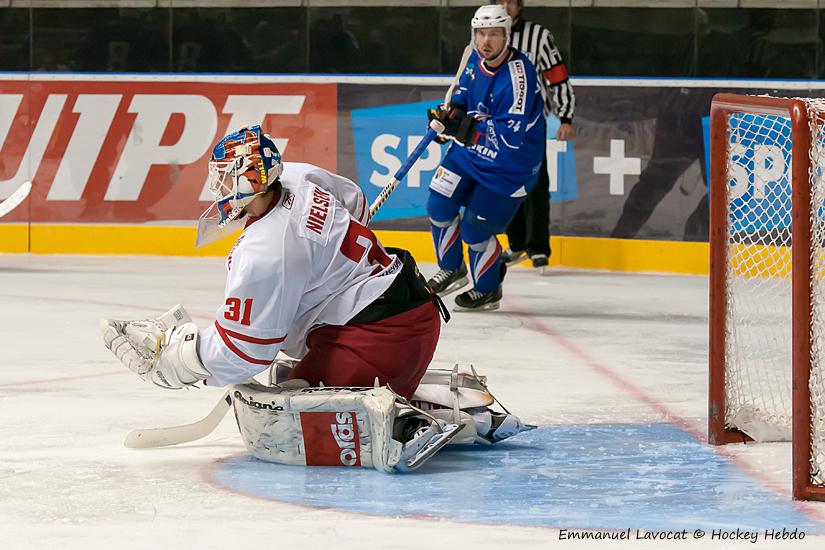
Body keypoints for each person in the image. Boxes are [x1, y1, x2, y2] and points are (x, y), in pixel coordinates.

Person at [100, 125, 531, 471]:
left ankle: (418, 421)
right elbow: (357, 203)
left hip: (381, 336)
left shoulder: (266, 251)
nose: (218, 189)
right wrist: (331, 262)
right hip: (406, 310)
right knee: (293, 375)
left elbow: (245, 351)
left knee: (289, 407)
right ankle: (432, 401)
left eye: (225, 179)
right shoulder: (298, 174)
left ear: (249, 182)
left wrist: (177, 358)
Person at [425, 4, 546, 311]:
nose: (486, 41)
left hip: (509, 167)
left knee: (475, 230)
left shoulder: (520, 76)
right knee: (438, 203)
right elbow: (463, 98)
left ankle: (488, 289)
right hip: (468, 155)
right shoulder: (474, 60)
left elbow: (508, 137)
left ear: (507, 36)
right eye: (480, 33)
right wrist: (448, 116)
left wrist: (461, 126)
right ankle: (452, 268)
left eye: (494, 34)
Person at [495, 0, 575, 271]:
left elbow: (557, 76)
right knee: (504, 185)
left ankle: (538, 247)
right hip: (497, 124)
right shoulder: (487, 34)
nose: (506, 7)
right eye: (500, 1)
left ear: (520, 5)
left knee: (536, 185)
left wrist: (565, 116)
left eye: (511, 2)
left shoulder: (539, 36)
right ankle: (516, 243)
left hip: (531, 126)